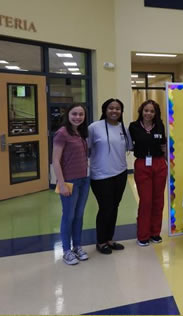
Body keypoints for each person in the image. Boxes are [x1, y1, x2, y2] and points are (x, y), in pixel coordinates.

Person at [88, 98, 131, 255]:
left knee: (114, 207)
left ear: (121, 112)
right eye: (111, 108)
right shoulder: (94, 128)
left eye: (118, 109)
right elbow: (85, 148)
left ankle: (109, 239)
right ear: (105, 110)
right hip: (100, 175)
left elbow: (131, 146)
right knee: (105, 208)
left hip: (120, 173)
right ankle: (101, 241)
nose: (114, 111)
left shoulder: (123, 128)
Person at [52, 104, 90, 265]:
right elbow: (55, 160)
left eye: (81, 114)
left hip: (84, 180)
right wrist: (61, 183)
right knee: (68, 216)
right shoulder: (62, 133)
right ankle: (66, 250)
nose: (77, 117)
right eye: (74, 114)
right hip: (69, 181)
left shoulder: (80, 132)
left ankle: (78, 247)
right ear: (68, 114)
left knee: (79, 215)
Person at [129, 99, 167, 247]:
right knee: (146, 201)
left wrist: (167, 162)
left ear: (155, 113)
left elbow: (163, 145)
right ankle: (143, 234)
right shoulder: (133, 127)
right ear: (141, 111)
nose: (149, 113)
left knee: (158, 200)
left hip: (158, 163)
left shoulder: (160, 126)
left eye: (152, 111)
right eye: (146, 110)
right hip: (142, 164)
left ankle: (155, 233)